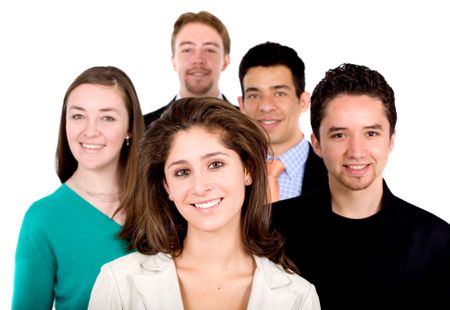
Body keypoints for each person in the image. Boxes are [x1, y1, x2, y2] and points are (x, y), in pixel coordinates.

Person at [88, 97, 321, 310]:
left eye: (215, 165)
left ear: (247, 169)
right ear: (167, 187)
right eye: (182, 172)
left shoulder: (297, 296)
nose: (200, 187)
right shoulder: (119, 283)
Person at [271, 63, 450, 310]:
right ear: (317, 144)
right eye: (339, 135)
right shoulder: (272, 228)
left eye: (371, 134)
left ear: (391, 140)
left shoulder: (436, 242)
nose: (356, 152)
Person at [12, 66, 146, 309]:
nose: (90, 131)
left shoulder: (162, 201)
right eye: (78, 116)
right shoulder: (43, 218)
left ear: (130, 128)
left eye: (107, 117)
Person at [238, 42, 327, 202]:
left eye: (279, 93)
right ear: (242, 105)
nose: (265, 106)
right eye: (254, 95)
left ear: (303, 101)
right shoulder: (225, 171)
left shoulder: (333, 171)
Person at [144, 10, 233, 126]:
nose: (198, 59)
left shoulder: (250, 123)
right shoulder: (142, 127)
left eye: (210, 50)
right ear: (174, 61)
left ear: (225, 61)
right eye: (187, 50)